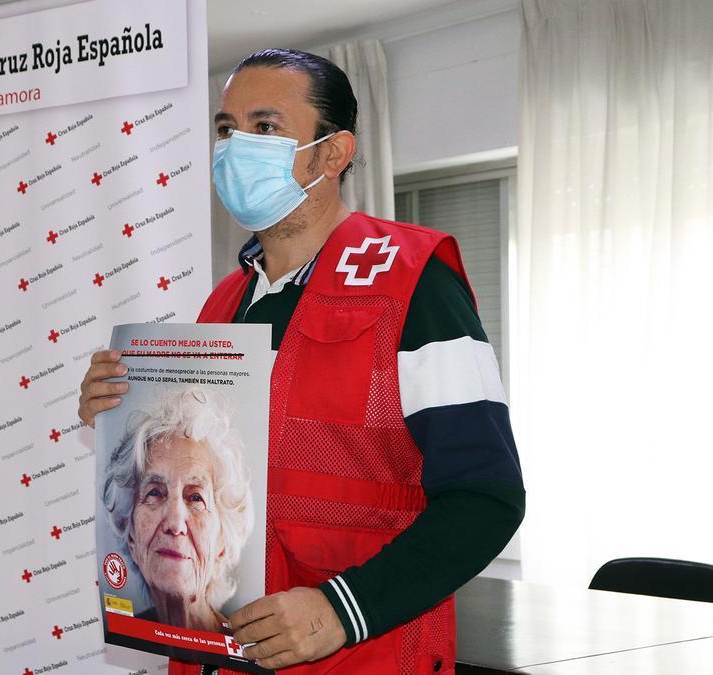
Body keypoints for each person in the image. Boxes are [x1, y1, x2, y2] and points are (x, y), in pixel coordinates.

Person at [80, 48, 525, 674]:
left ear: (331, 153)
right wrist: (114, 408)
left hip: (363, 655)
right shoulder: (224, 305)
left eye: (264, 128)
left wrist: (339, 611)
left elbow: (486, 500)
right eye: (226, 129)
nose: (236, 148)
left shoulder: (415, 282)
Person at [101, 386, 254, 633]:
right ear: (130, 534)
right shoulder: (124, 637)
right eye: (154, 493)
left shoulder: (252, 655)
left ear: (222, 543)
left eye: (195, 498)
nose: (175, 522)